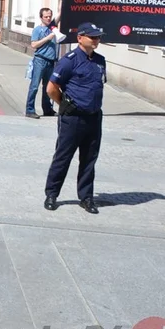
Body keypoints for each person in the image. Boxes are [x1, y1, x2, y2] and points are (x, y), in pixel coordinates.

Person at [44, 22, 107, 214]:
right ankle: (52, 194)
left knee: (89, 159)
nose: (96, 40)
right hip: (72, 118)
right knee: (63, 157)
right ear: (80, 38)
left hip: (94, 117)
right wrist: (65, 104)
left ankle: (86, 197)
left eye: (98, 37)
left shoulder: (100, 60)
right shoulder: (69, 60)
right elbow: (51, 88)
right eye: (92, 37)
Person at [26, 8, 59, 119]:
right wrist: (48, 38)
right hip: (40, 60)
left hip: (50, 61)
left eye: (50, 16)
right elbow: (34, 45)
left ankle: (47, 109)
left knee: (48, 87)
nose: (48, 18)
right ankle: (30, 110)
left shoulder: (52, 27)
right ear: (41, 17)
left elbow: (60, 13)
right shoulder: (37, 30)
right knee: (34, 86)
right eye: (46, 16)